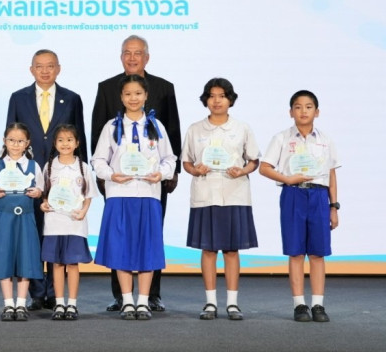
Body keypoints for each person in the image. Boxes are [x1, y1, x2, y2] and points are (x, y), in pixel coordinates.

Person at [91, 35, 181, 312]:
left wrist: (166, 174)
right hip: (119, 190)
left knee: (149, 242)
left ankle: (148, 297)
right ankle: (123, 298)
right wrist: (106, 176)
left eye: (137, 52)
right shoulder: (109, 106)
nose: (132, 57)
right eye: (127, 52)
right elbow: (98, 149)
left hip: (150, 190)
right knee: (120, 243)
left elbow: (171, 146)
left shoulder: (160, 104)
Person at [6, 49, 86, 311]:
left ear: (58, 69)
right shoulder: (18, 98)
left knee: (56, 233)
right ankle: (37, 293)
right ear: (31, 70)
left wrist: (82, 178)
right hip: (27, 178)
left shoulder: (72, 99)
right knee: (32, 235)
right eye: (39, 66)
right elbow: (11, 137)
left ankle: (55, 293)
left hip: (61, 177)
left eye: (50, 66)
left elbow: (80, 139)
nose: (44, 71)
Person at [181, 78, 260, 321]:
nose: (217, 101)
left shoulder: (242, 128)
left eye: (222, 96)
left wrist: (242, 170)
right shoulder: (195, 129)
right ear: (206, 99)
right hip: (205, 194)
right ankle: (210, 303)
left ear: (230, 100)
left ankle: (233, 304)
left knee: (231, 250)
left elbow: (254, 160)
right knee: (208, 249)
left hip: (235, 193)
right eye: (212, 96)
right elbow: (186, 162)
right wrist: (196, 171)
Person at [258, 90, 340, 323]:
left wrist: (333, 206)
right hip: (293, 194)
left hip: (319, 196)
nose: (303, 111)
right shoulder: (282, 138)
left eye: (308, 106)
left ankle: (318, 304)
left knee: (317, 253)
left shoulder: (325, 140)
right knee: (295, 252)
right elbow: (264, 167)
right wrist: (287, 179)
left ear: (317, 111)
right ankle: (299, 305)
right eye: (298, 107)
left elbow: (331, 175)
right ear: (290, 112)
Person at [40, 124, 99, 321]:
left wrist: (83, 211)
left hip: (75, 223)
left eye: (69, 140)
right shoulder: (49, 166)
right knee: (56, 264)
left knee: (72, 264)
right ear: (54, 143)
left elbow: (88, 195)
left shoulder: (83, 167)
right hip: (54, 223)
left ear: (77, 143)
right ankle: (59, 303)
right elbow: (44, 194)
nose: (65, 144)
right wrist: (44, 204)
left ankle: (72, 304)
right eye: (60, 140)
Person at [0, 122, 45, 322]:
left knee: (25, 257)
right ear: (5, 141)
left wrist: (37, 192)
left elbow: (40, 188)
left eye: (20, 141)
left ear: (27, 143)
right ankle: (8, 304)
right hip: (5, 216)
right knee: (5, 256)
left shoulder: (33, 165)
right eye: (11, 140)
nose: (15, 144)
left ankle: (21, 303)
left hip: (26, 216)